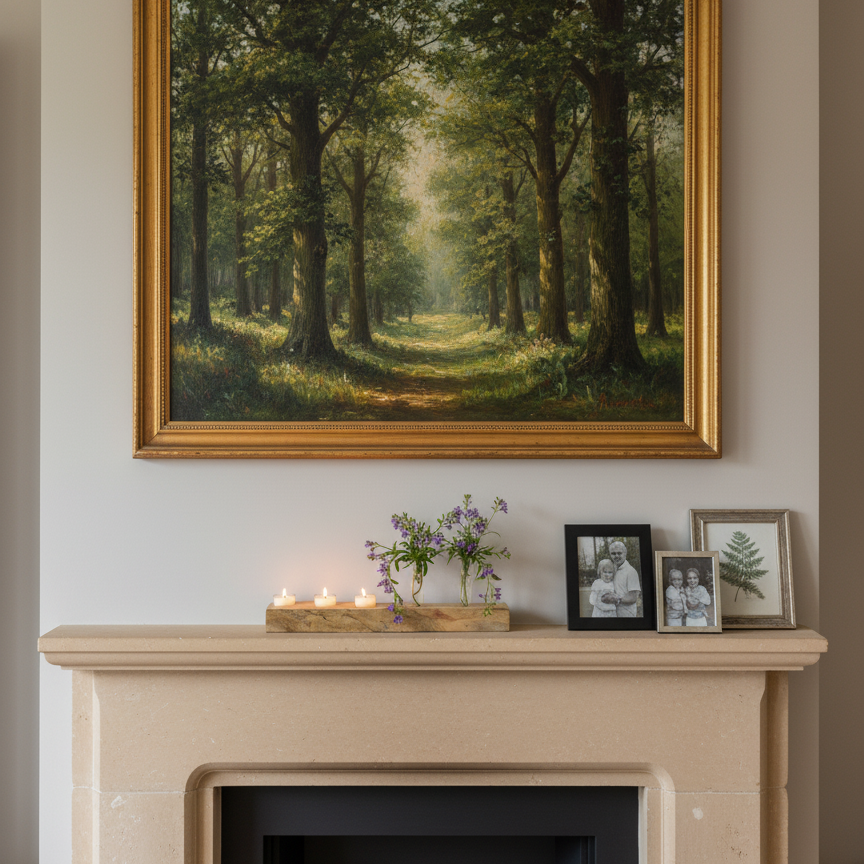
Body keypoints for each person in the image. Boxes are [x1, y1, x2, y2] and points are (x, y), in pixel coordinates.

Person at [609, 541, 642, 617]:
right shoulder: (611, 570)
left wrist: (616, 599)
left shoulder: (631, 571)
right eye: (613, 553)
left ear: (625, 553)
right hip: (612, 614)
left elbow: (633, 597)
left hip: (626, 615)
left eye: (619, 553)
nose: (616, 556)